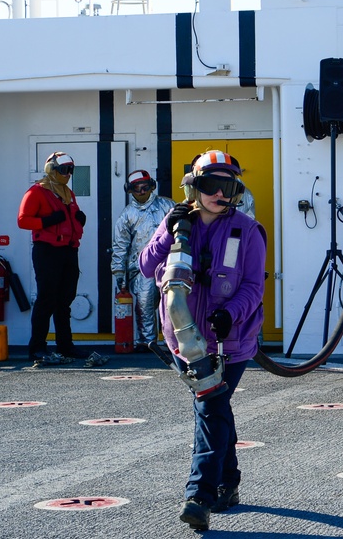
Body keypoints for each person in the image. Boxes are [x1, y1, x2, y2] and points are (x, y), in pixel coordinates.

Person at [138, 150, 266, 531]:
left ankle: (199, 496)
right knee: (215, 408)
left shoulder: (247, 230)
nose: (220, 194)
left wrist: (230, 314)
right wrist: (167, 232)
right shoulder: (176, 222)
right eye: (211, 186)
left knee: (210, 408)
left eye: (228, 187)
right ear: (194, 187)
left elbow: (253, 286)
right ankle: (229, 482)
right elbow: (147, 266)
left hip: (232, 342)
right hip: (184, 338)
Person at [17, 151, 88, 361]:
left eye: (70, 171)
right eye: (64, 170)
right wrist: (47, 221)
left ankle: (65, 346)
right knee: (46, 299)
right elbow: (23, 220)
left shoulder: (68, 193)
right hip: (47, 251)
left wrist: (79, 220)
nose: (68, 174)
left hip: (68, 251)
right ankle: (37, 347)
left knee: (65, 301)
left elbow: (71, 218)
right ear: (52, 170)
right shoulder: (37, 192)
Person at [111, 169, 178, 352]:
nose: (141, 192)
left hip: (169, 265)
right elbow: (120, 246)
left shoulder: (168, 206)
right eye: (136, 188)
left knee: (172, 306)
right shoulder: (127, 215)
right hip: (142, 268)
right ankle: (147, 344)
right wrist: (118, 272)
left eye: (145, 187)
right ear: (129, 190)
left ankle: (174, 344)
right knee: (144, 306)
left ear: (152, 186)